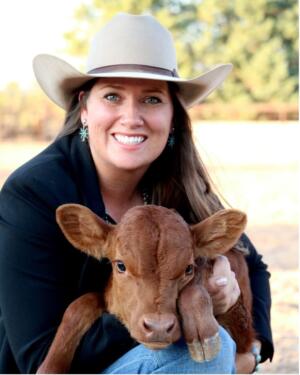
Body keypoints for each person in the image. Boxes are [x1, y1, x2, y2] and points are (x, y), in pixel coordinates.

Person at [0, 13, 273, 374]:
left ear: (174, 115)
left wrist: (250, 352)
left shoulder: (178, 185)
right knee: (197, 350)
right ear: (84, 108)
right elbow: (36, 357)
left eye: (152, 100)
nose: (131, 117)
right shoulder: (33, 193)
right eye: (112, 96)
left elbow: (251, 263)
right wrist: (183, 301)